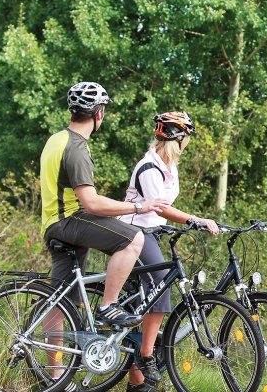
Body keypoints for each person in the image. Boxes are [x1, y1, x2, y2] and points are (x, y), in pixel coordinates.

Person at [40, 82, 169, 388]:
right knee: (132, 238)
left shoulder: (56, 139)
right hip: (69, 220)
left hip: (52, 222)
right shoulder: (76, 148)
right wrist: (138, 205)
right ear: (99, 114)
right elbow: (91, 202)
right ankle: (108, 306)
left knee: (60, 302)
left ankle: (55, 379)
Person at [118, 111, 219, 392]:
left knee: (142, 303)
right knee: (162, 285)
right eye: (186, 136)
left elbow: (161, 212)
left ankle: (137, 384)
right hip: (133, 234)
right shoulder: (150, 168)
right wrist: (194, 219)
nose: (188, 142)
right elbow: (159, 207)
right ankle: (147, 355)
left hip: (151, 233)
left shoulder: (168, 166)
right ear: (179, 137)